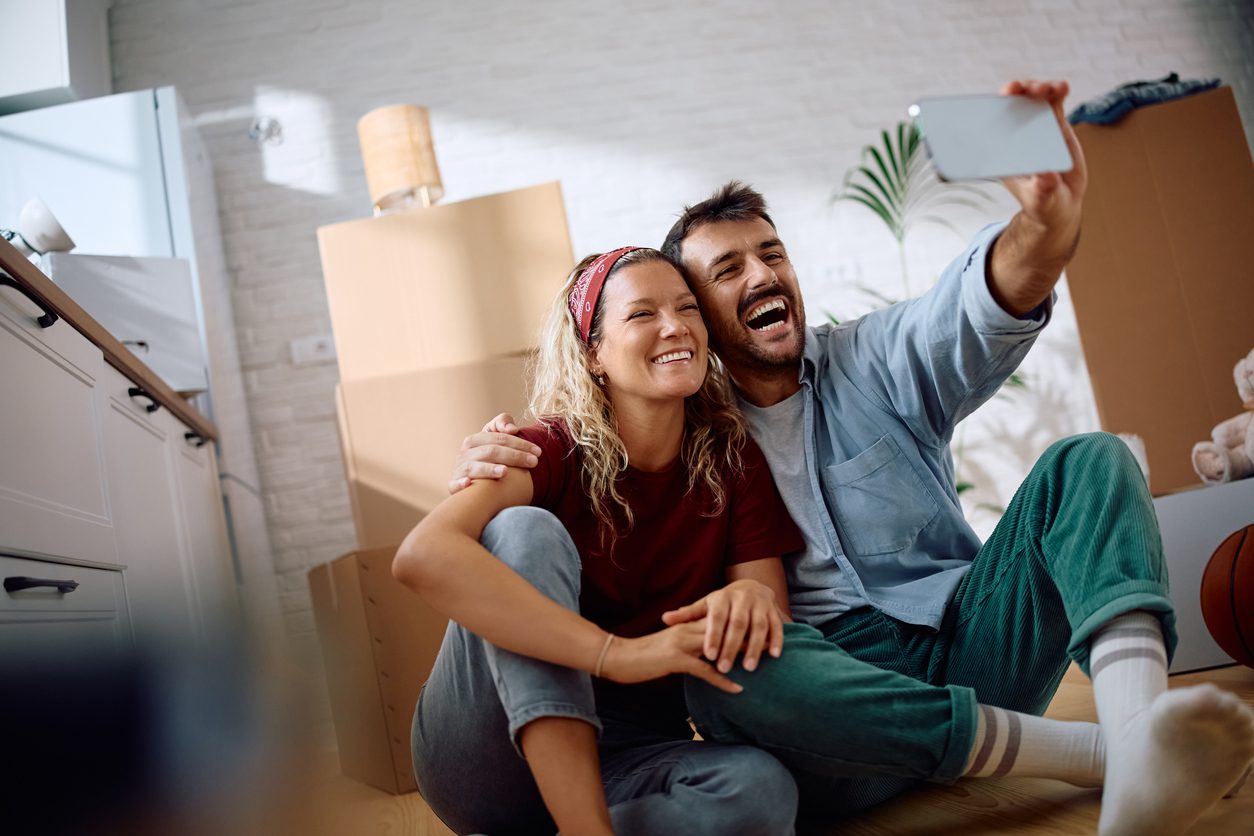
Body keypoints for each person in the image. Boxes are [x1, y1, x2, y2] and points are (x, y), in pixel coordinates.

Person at [447, 80, 1254, 835]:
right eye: (725, 272)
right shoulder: (692, 445)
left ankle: (1145, 746)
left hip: (974, 649)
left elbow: (988, 296)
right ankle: (1106, 756)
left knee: (1091, 458)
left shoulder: (875, 358)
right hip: (838, 716)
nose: (763, 274)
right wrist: (501, 464)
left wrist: (1047, 221)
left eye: (772, 253)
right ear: (696, 320)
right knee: (731, 662)